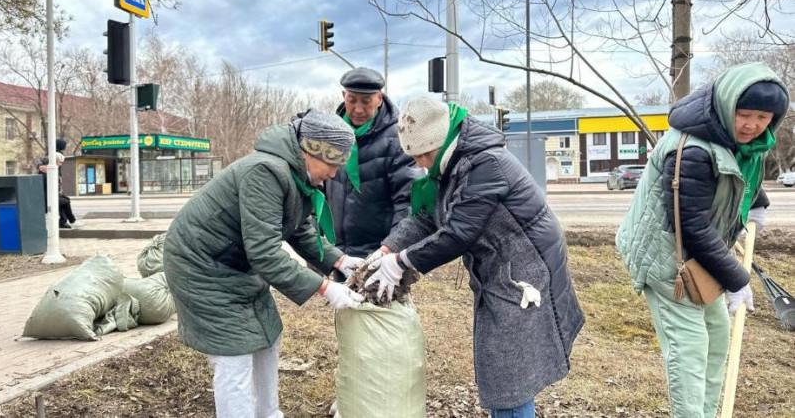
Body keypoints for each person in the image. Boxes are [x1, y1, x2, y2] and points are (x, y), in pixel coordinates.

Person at [364, 97, 585, 418]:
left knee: (510, 370)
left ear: (439, 143)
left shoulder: (483, 164)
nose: (421, 164)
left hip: (526, 267)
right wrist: (386, 250)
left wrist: (401, 263)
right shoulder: (451, 163)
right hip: (499, 264)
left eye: (423, 155)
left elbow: (458, 233)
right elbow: (428, 218)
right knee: (504, 365)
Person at [163, 110, 367, 418]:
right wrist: (326, 288)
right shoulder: (266, 172)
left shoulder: (296, 176)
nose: (335, 174)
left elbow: (299, 229)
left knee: (267, 337)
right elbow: (265, 252)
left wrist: (342, 261)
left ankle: (268, 414)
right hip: (200, 266)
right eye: (334, 164)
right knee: (235, 355)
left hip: (234, 264)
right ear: (311, 151)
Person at [616, 62, 789, 418]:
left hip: (701, 259)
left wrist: (757, 203)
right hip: (668, 261)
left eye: (763, 117)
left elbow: (740, 174)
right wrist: (738, 280)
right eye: (745, 114)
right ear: (728, 107)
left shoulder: (741, 140)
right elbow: (692, 227)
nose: (753, 125)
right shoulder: (693, 149)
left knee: (717, 339)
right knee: (689, 352)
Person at [325, 67, 422, 275]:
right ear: (344, 96)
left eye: (366, 101)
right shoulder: (332, 135)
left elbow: (408, 201)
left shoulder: (399, 138)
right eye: (352, 100)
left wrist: (391, 251)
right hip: (339, 253)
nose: (358, 109)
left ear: (379, 98)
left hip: (379, 252)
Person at [34, 150, 82, 229]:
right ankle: (71, 221)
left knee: (64, 200)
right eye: (60, 162)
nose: (61, 165)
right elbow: (47, 189)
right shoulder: (47, 172)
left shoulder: (52, 170)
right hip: (46, 199)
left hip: (50, 196)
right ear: (54, 161)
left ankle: (64, 222)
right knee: (65, 202)